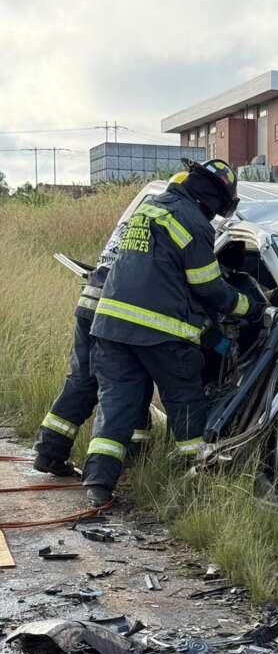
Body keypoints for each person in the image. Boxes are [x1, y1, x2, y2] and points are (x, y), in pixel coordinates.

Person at [82, 158, 259, 506]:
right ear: (216, 200)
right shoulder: (193, 222)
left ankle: (98, 485)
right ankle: (194, 478)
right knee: (184, 399)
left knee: (117, 403)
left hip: (111, 326)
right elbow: (207, 286)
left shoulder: (150, 209)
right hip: (161, 332)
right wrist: (252, 308)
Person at [33, 221, 152, 476]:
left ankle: (49, 451)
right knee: (128, 384)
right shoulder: (171, 220)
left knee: (81, 379)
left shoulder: (137, 218)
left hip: (91, 300)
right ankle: (127, 459)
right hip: (117, 308)